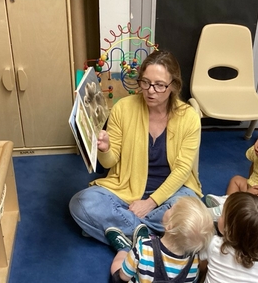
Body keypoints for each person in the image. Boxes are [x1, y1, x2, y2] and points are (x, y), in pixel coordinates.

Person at [69, 50, 203, 247]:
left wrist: (150, 203)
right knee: (81, 203)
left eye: (159, 85)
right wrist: (105, 149)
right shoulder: (123, 108)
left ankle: (118, 232)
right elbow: (111, 162)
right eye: (145, 82)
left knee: (191, 210)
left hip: (171, 191)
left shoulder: (189, 117)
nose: (150, 90)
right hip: (126, 188)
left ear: (173, 86)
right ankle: (152, 239)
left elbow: (183, 170)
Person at [109, 196, 214, 283]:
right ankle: (141, 242)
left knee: (117, 267)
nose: (169, 208)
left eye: (171, 208)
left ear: (169, 226)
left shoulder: (145, 248)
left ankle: (123, 248)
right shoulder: (195, 261)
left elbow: (124, 276)